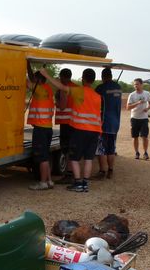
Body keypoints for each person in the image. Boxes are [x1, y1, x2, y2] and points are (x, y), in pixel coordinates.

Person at [40, 67, 102, 193]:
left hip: (80, 130)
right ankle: (85, 184)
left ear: (83, 78)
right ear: (93, 80)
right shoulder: (97, 96)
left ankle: (78, 183)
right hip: (95, 131)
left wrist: (46, 75)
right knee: (89, 159)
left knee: (74, 158)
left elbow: (62, 87)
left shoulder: (80, 91)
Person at [26, 62, 55, 190]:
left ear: (39, 80)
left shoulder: (40, 90)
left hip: (41, 129)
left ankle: (42, 183)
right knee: (46, 156)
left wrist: (25, 67)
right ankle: (49, 181)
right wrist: (28, 65)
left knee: (42, 157)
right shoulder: (47, 89)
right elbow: (33, 79)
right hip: (48, 128)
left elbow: (28, 81)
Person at [94, 68, 122, 179]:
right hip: (115, 123)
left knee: (101, 149)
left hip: (104, 123)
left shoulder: (100, 88)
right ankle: (110, 170)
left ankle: (102, 171)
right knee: (111, 149)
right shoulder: (118, 88)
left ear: (102, 77)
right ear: (111, 75)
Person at [54, 68, 76, 182]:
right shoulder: (76, 87)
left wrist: (56, 102)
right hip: (75, 123)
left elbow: (62, 106)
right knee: (73, 149)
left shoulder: (63, 89)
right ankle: (72, 173)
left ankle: (68, 174)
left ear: (62, 77)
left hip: (65, 123)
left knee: (66, 149)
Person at [127, 78, 150, 160]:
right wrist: (137, 103)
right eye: (134, 84)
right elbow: (128, 107)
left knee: (145, 136)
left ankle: (145, 153)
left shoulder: (147, 94)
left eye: (137, 84)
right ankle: (137, 153)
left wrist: (147, 108)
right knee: (135, 137)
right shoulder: (132, 95)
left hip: (144, 118)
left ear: (142, 84)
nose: (135, 86)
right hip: (134, 118)